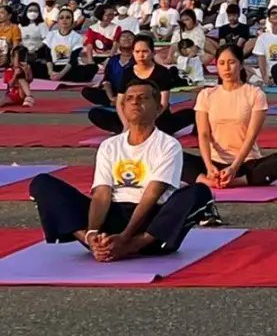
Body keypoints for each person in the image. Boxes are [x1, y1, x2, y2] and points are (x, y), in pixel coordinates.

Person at [29, 83, 214, 256]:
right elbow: (102, 194)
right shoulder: (110, 145)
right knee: (43, 183)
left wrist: (127, 238)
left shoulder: (168, 145)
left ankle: (135, 245)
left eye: (143, 98)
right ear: (123, 109)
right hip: (112, 215)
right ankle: (93, 243)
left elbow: (152, 195)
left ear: (158, 109)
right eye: (130, 98)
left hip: (150, 224)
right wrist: (93, 232)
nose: (135, 101)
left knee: (199, 192)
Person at [180, 44, 277, 205]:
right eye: (221, 63)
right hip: (214, 163)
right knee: (175, 157)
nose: (226, 68)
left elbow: (251, 135)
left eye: (231, 62)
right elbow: (203, 134)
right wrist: (208, 167)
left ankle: (238, 181)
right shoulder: (206, 95)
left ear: (241, 64)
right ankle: (208, 181)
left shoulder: (254, 94)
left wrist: (234, 168)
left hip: (245, 163)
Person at [88, 33, 192, 136]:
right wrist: (126, 124)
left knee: (191, 114)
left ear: (152, 53)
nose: (141, 55)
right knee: (95, 113)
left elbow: (163, 103)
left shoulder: (162, 72)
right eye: (137, 52)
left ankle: (145, 130)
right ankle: (130, 130)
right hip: (132, 116)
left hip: (157, 118)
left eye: (145, 51)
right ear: (133, 53)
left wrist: (149, 122)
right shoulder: (128, 72)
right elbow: (120, 102)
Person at [40, 8, 98, 83]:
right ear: (58, 21)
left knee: (93, 68)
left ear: (72, 21)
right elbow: (48, 57)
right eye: (61, 18)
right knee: (33, 66)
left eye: (68, 18)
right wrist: (50, 71)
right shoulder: (51, 35)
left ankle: (59, 77)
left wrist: (61, 74)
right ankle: (54, 76)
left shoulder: (77, 37)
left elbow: (73, 60)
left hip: (70, 68)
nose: (64, 20)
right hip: (54, 66)